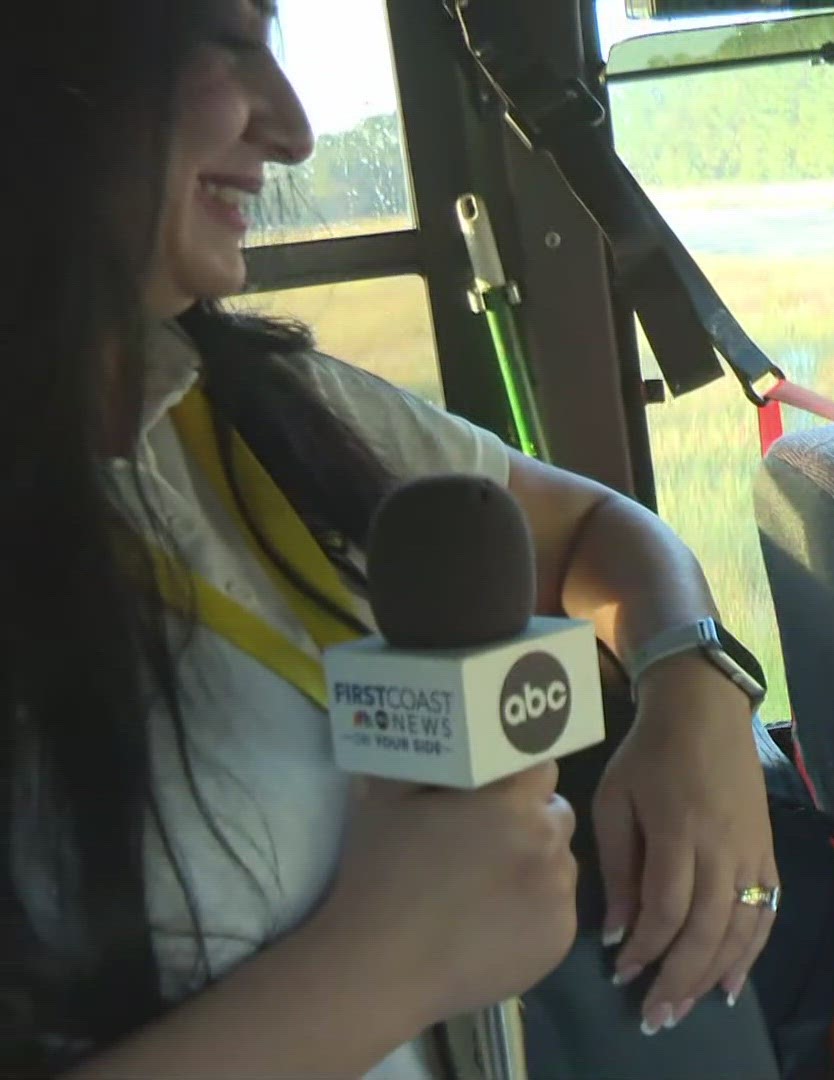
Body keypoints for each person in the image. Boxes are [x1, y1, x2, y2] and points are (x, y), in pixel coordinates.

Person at [4, 1, 780, 1075]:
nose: (292, 128)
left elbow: (596, 528)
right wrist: (394, 964)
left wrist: (691, 682)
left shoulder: (245, 407)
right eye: (226, 45)